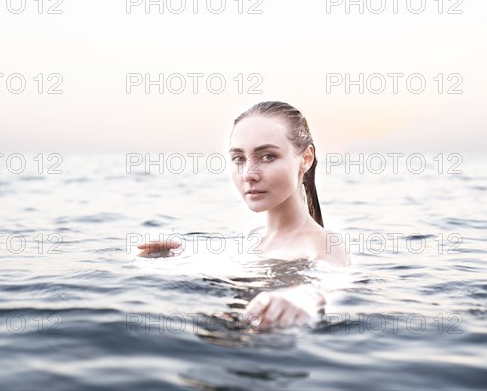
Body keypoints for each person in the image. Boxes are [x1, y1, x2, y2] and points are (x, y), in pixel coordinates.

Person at [137, 101, 350, 329]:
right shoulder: (254, 237)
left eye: (268, 156)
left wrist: (302, 297)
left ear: (305, 159)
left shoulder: (325, 243)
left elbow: (331, 284)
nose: (249, 174)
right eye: (239, 158)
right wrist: (184, 252)